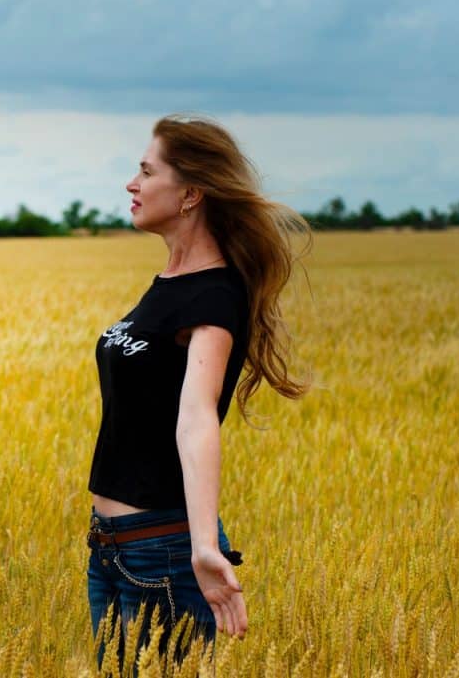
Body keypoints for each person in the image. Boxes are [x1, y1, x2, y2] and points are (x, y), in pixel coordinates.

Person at [86, 113, 312, 673]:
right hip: (111, 551)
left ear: (190, 193)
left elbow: (196, 418)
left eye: (145, 170)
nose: (130, 184)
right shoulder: (169, 283)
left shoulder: (213, 297)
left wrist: (204, 545)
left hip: (161, 552)